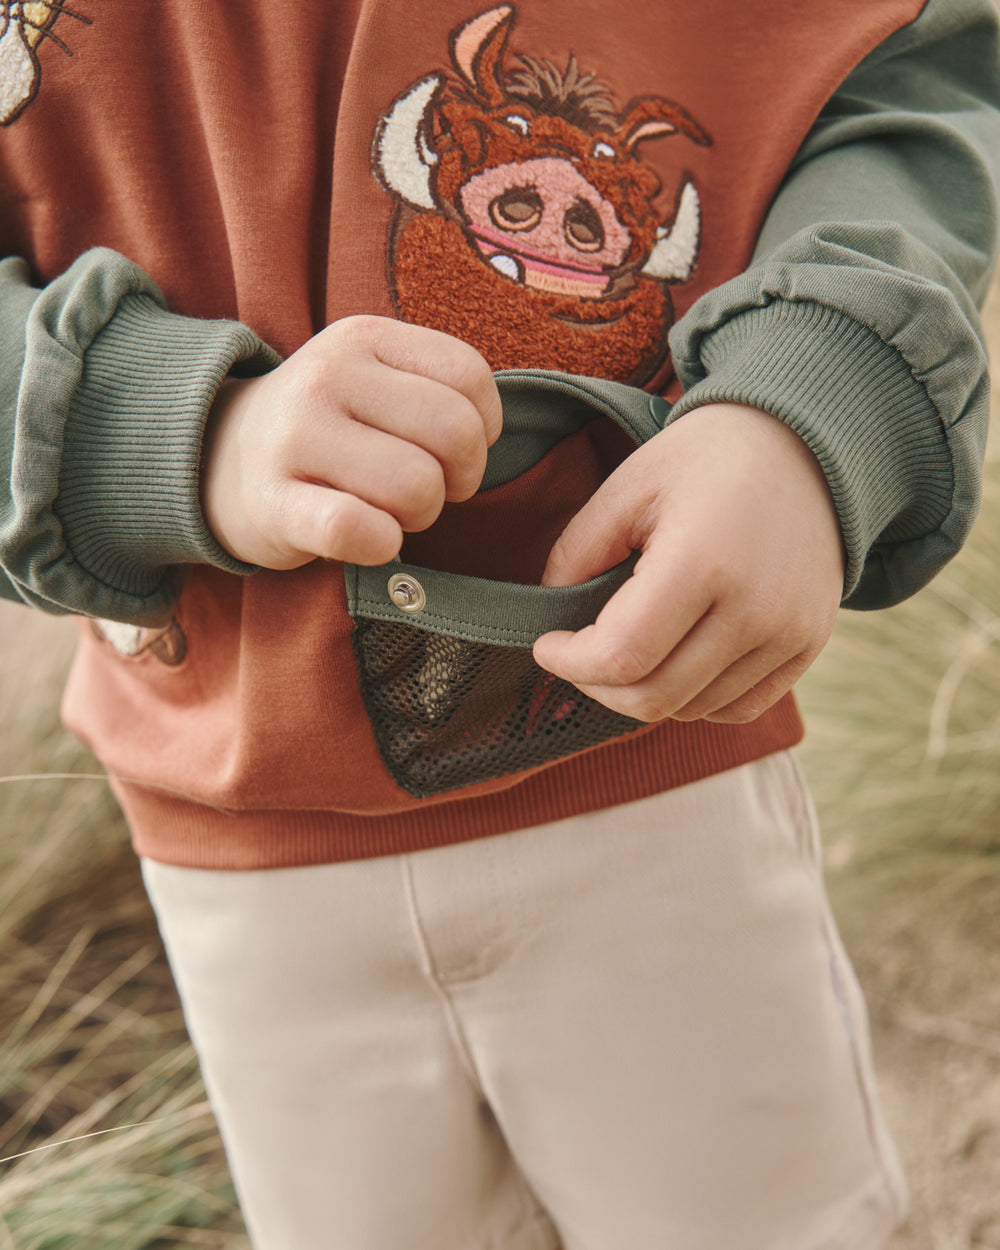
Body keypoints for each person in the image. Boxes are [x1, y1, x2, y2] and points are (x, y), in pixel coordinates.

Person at [2, 1, 999, 1246]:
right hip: (233, 850)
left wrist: (808, 395)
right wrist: (170, 430)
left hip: (646, 759)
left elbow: (906, 64)